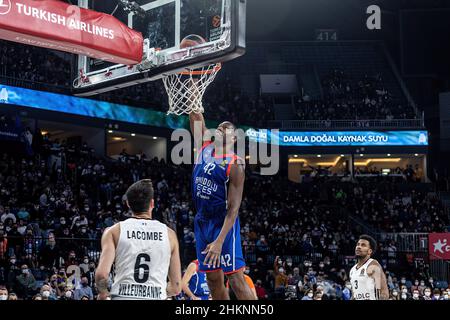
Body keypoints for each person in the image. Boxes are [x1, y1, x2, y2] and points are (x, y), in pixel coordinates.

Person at [189, 106, 255, 300]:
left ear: (234, 139)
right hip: (202, 221)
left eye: (227, 128)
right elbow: (194, 114)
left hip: (223, 224)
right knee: (212, 279)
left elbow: (234, 209)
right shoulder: (204, 147)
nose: (221, 128)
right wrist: (193, 89)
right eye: (219, 127)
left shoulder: (235, 163)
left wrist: (219, 241)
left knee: (235, 278)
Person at [95, 179, 181, 300]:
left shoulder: (114, 231)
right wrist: (158, 292)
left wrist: (103, 294)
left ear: (128, 204)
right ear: (152, 203)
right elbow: (176, 287)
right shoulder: (170, 234)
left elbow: (101, 275)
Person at [349, 235, 388, 300]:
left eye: (363, 245)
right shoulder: (352, 270)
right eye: (358, 244)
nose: (359, 247)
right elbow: (354, 295)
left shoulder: (372, 264)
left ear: (369, 251)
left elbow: (384, 292)